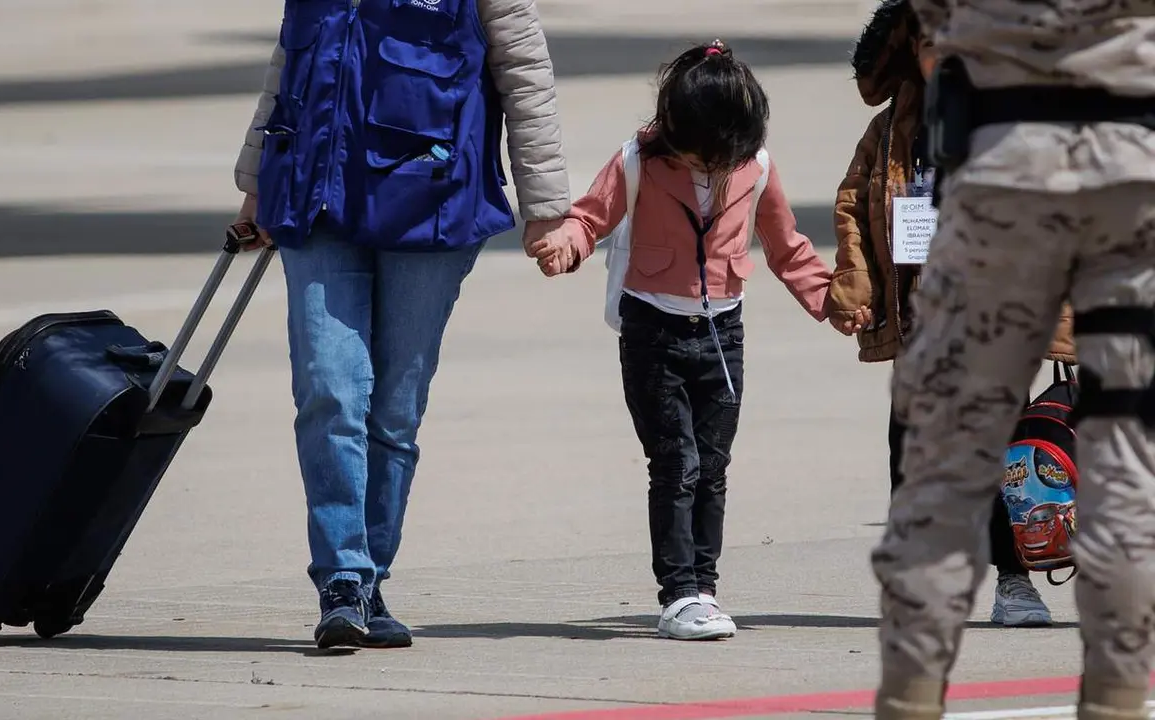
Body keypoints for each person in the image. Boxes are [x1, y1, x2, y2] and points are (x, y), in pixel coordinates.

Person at [229, 0, 574, 650]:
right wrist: (257, 179)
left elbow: (524, 67)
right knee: (329, 386)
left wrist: (546, 205)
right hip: (315, 196)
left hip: (432, 197)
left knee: (393, 408)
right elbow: (289, 60)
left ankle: (370, 577)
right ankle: (343, 580)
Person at [869, 0, 1155, 717]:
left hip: (1003, 167)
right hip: (1128, 167)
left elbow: (910, 32)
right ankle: (1118, 695)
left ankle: (910, 694)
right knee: (1123, 454)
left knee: (942, 457)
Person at [537, 40, 837, 640]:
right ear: (675, 132)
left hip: (724, 333)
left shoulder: (756, 168)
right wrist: (566, 243)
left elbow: (786, 246)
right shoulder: (637, 161)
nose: (715, 167)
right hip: (653, 329)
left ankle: (704, 589)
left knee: (714, 467)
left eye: (728, 154)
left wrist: (830, 300)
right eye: (705, 155)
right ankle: (678, 595)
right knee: (676, 463)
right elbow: (590, 216)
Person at [826, 0, 1077, 628]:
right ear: (912, 51)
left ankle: (1013, 583)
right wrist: (856, 285)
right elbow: (854, 204)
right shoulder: (889, 132)